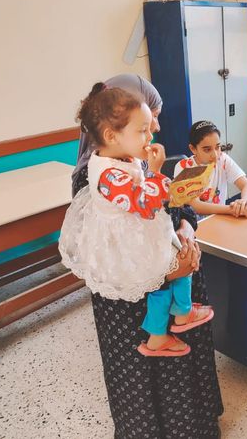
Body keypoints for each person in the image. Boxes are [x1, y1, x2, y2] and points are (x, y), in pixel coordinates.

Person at [68, 76, 223, 438]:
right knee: (155, 384)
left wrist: (185, 229)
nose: (155, 129)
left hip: (170, 260)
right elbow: (115, 255)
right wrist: (168, 272)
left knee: (188, 362)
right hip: (133, 306)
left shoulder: (130, 157)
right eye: (147, 122)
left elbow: (176, 206)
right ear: (111, 134)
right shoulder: (99, 176)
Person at [174, 120, 247, 218]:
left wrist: (244, 202)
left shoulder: (223, 159)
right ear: (193, 149)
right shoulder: (183, 167)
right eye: (207, 150)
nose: (215, 155)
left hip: (219, 218)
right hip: (193, 223)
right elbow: (196, 206)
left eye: (217, 147)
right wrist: (232, 209)